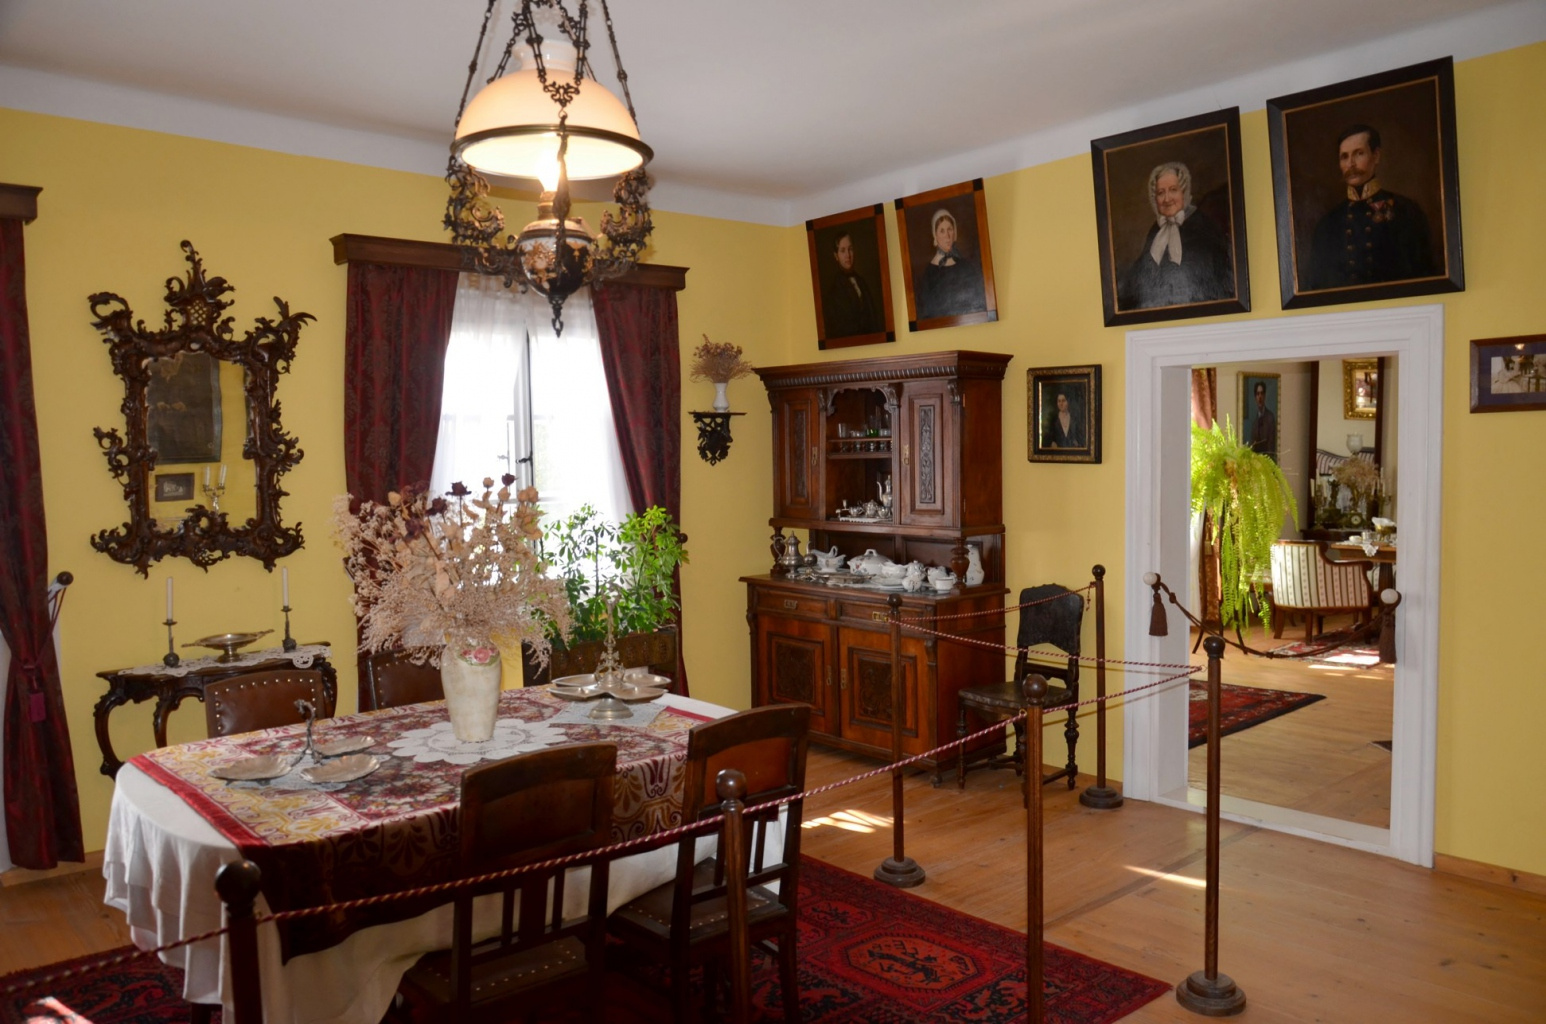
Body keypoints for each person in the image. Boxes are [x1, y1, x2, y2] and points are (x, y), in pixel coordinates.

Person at [1306, 124, 1435, 290]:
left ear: (1376, 156)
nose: (1351, 164)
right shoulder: (1328, 224)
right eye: (1344, 157)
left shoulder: (1406, 211)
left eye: (1359, 153)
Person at [1117, 161, 1233, 311]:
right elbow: (1139, 280)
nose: (1167, 199)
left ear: (1184, 192)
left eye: (1173, 190)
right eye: (1160, 193)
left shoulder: (1203, 226)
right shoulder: (1156, 232)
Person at [916, 208, 986, 320]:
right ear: (935, 235)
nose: (947, 236)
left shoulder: (966, 267)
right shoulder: (929, 273)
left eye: (950, 229)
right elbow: (927, 314)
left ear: (955, 232)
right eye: (942, 231)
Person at [822, 231, 885, 338]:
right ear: (836, 256)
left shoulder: (862, 282)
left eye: (850, 249)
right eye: (843, 251)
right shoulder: (834, 291)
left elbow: (873, 318)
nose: (848, 255)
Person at [1248, 381, 1276, 460]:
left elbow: (1271, 447)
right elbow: (1252, 446)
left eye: (1262, 393)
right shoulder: (1254, 422)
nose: (1260, 397)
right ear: (1255, 397)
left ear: (1264, 396)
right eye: (1257, 394)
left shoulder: (1270, 418)